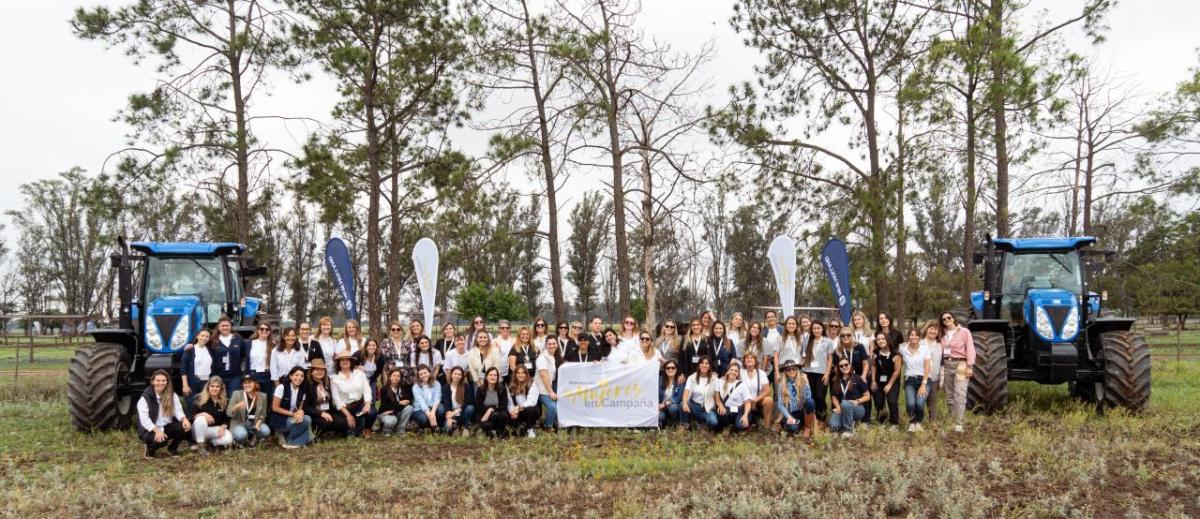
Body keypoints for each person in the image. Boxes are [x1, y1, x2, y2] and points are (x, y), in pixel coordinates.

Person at [137, 369, 191, 458]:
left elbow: (178, 411)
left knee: (184, 426)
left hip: (166, 426)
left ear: (167, 382)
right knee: (162, 441)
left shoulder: (172, 395)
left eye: (163, 381)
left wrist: (184, 419)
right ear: (153, 381)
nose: (161, 383)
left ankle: (172, 449)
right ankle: (150, 449)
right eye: (158, 380)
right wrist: (157, 431)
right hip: (150, 428)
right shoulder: (145, 398)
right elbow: (144, 420)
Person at [939, 311, 975, 433]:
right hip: (947, 365)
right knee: (949, 395)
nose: (946, 320)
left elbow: (970, 348)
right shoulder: (942, 334)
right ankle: (952, 419)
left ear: (953, 318)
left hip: (961, 364)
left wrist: (970, 366)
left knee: (960, 394)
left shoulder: (964, 332)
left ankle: (959, 423)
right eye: (944, 319)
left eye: (949, 317)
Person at [831, 326, 871, 425]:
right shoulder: (837, 350)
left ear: (852, 336)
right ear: (839, 337)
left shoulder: (859, 347)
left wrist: (863, 376)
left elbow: (865, 363)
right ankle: (844, 417)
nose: (845, 337)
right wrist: (837, 377)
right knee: (833, 424)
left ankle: (865, 421)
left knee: (862, 395)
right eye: (842, 335)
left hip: (858, 376)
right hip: (844, 376)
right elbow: (836, 366)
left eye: (848, 335)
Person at [331, 351, 373, 437]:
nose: (345, 362)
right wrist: (348, 415)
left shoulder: (360, 374)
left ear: (351, 362)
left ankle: (366, 428)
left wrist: (367, 404)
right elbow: (336, 399)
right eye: (342, 360)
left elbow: (367, 390)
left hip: (358, 405)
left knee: (372, 412)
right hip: (345, 409)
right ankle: (352, 427)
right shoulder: (334, 378)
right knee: (351, 435)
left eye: (347, 360)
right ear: (338, 363)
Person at [303, 358, 346, 440]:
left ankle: (332, 433)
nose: (320, 372)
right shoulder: (307, 384)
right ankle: (319, 434)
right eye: (317, 369)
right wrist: (320, 413)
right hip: (315, 413)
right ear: (311, 371)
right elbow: (306, 407)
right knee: (325, 423)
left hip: (329, 411)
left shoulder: (328, 381)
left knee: (342, 421)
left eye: (322, 369)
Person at [190, 376, 234, 454]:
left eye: (217, 386)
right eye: (212, 386)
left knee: (228, 438)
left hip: (213, 430)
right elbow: (192, 417)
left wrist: (224, 426)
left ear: (221, 388)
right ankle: (200, 445)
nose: (214, 388)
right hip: (198, 431)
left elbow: (227, 418)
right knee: (201, 418)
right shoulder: (199, 398)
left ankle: (210, 444)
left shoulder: (225, 401)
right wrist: (203, 414)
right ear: (208, 387)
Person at [270, 366, 312, 449]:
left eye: (301, 376)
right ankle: (291, 439)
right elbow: (275, 407)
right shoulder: (281, 387)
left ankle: (290, 442)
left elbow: (300, 408)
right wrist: (293, 414)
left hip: (292, 417)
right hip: (281, 418)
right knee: (307, 426)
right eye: (296, 375)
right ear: (290, 376)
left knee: (307, 418)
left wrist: (301, 412)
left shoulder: (302, 390)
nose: (299, 378)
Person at [900, 328, 932, 431]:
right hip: (909, 380)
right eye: (911, 335)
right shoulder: (902, 348)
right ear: (908, 337)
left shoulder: (924, 348)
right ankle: (912, 423)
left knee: (919, 403)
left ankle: (918, 423)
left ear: (919, 337)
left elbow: (927, 366)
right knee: (910, 403)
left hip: (924, 379)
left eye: (916, 335)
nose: (913, 337)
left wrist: (923, 384)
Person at [829, 357, 870, 437]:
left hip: (857, 408)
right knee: (833, 426)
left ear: (850, 365)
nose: (844, 367)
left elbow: (867, 396)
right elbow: (834, 397)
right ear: (839, 368)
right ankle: (848, 421)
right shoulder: (836, 380)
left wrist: (857, 401)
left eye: (846, 364)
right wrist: (838, 407)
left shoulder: (858, 378)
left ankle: (848, 430)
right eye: (841, 366)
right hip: (842, 408)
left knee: (845, 403)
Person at [803, 321, 834, 422]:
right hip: (808, 372)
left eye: (818, 328)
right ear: (811, 330)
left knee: (820, 397)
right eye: (814, 328)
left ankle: (822, 418)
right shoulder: (808, 341)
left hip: (822, 373)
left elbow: (830, 359)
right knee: (810, 397)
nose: (816, 330)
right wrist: (801, 371)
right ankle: (812, 419)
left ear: (822, 329)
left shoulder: (827, 341)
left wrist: (827, 373)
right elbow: (803, 356)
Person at [775, 360, 816, 438]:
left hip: (801, 411)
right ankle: (794, 425)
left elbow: (808, 398)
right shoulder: (781, 385)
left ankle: (807, 428)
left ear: (797, 370)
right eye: (788, 369)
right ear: (785, 372)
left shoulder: (802, 381)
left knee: (811, 402)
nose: (791, 371)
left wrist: (807, 383)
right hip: (790, 413)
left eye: (793, 368)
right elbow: (780, 404)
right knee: (793, 428)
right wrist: (788, 416)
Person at [870, 332, 902, 428]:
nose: (881, 341)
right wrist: (873, 380)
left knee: (892, 401)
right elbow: (873, 365)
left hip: (892, 380)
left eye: (883, 338)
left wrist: (889, 385)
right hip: (879, 380)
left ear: (887, 340)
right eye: (878, 339)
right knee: (879, 401)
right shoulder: (875, 353)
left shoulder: (896, 354)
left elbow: (897, 371)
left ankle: (894, 423)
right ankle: (881, 421)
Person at [229, 374, 271, 447]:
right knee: (241, 434)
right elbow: (228, 412)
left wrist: (258, 424)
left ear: (255, 383)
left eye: (249, 382)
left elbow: (263, 414)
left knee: (266, 431)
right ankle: (240, 440)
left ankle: (253, 437)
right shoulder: (236, 394)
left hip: (254, 424)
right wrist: (236, 407)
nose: (247, 385)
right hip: (240, 423)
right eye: (245, 383)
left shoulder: (263, 396)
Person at [682, 356, 719, 431]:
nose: (704, 365)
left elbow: (717, 395)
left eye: (707, 363)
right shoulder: (692, 377)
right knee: (681, 404)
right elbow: (686, 391)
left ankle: (701, 423)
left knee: (714, 422)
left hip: (707, 408)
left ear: (710, 366)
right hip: (694, 406)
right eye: (702, 363)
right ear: (699, 365)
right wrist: (685, 403)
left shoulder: (714, 379)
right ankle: (685, 424)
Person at [714, 363, 753, 433]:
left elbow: (748, 403)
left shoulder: (742, 385)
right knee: (720, 413)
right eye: (731, 370)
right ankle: (728, 427)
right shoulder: (720, 382)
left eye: (736, 371)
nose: (733, 372)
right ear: (728, 371)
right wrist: (720, 406)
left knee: (740, 425)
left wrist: (745, 415)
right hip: (728, 409)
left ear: (738, 374)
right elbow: (717, 399)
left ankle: (740, 424)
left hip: (740, 410)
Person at [180, 329, 214, 405]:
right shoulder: (190, 350)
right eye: (202, 335)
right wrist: (185, 385)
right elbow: (183, 369)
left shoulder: (209, 349)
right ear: (197, 336)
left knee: (205, 405)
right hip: (193, 382)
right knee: (192, 406)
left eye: (207, 336)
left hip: (206, 382)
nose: (204, 338)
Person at [377, 368, 414, 436]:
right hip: (384, 414)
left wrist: (393, 409)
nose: (396, 378)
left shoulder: (403, 388)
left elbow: (408, 402)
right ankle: (386, 431)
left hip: (394, 412)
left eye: (398, 376)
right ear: (390, 377)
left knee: (409, 408)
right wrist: (399, 403)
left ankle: (400, 430)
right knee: (392, 420)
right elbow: (385, 406)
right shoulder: (384, 389)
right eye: (394, 375)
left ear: (400, 378)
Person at [535, 336, 561, 431]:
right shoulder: (542, 358)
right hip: (542, 389)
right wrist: (550, 392)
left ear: (557, 345)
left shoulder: (556, 357)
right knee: (552, 407)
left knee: (558, 406)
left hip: (553, 386)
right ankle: (547, 426)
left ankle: (554, 422)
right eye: (549, 344)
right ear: (546, 345)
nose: (552, 346)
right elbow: (543, 375)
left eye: (554, 343)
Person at [741, 353, 773, 429]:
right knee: (741, 425)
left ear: (755, 361)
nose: (749, 359)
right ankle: (749, 420)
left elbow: (768, 390)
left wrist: (756, 400)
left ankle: (766, 427)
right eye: (747, 358)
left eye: (752, 358)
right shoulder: (740, 373)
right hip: (744, 402)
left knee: (769, 400)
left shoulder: (761, 373)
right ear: (744, 361)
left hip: (758, 400)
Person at [212, 317, 245, 392]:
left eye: (227, 325)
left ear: (230, 326)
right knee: (220, 399)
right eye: (222, 326)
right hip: (218, 376)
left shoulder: (237, 338)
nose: (225, 327)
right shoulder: (213, 339)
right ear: (218, 327)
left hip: (235, 376)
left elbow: (243, 353)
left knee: (233, 399)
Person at [507, 365, 541, 437]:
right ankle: (521, 425)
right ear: (515, 374)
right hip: (517, 411)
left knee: (531, 410)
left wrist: (519, 407)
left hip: (530, 410)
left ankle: (530, 429)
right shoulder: (511, 386)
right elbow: (510, 402)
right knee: (514, 430)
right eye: (518, 373)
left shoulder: (532, 384)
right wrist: (512, 411)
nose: (520, 375)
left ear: (526, 374)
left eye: (523, 373)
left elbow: (532, 401)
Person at [920, 321, 944, 421]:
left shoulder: (940, 345)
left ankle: (933, 423)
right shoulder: (919, 343)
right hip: (920, 377)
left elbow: (942, 363)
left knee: (932, 402)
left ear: (938, 332)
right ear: (926, 329)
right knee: (919, 401)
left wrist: (942, 378)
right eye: (931, 328)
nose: (933, 331)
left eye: (935, 329)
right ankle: (917, 422)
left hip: (934, 378)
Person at [441, 366, 476, 435]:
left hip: (463, 412)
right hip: (452, 413)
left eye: (459, 374)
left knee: (470, 408)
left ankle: (466, 427)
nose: (457, 376)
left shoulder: (467, 386)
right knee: (448, 428)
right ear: (451, 375)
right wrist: (449, 417)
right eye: (455, 374)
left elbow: (469, 401)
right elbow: (446, 402)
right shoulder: (446, 387)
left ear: (462, 376)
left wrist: (459, 409)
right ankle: (456, 427)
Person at [476, 367, 510, 438]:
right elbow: (479, 407)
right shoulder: (480, 389)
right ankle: (490, 431)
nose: (493, 377)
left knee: (504, 415)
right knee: (487, 425)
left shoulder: (502, 389)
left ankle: (499, 431)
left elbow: (504, 406)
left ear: (497, 377)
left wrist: (492, 409)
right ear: (486, 376)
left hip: (498, 414)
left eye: (495, 375)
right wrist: (488, 411)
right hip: (484, 414)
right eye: (490, 375)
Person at [380, 320, 414, 385]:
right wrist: (385, 377)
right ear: (390, 331)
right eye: (393, 329)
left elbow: (411, 359)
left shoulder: (407, 343)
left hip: (406, 376)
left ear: (401, 330)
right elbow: (383, 361)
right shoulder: (385, 342)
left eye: (398, 329)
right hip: (390, 375)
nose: (396, 331)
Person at [412, 365, 443, 433]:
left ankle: (439, 426)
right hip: (420, 409)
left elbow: (437, 399)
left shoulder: (437, 383)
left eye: (425, 373)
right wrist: (429, 415)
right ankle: (422, 427)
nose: (423, 375)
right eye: (421, 374)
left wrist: (433, 412)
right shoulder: (416, 387)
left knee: (441, 410)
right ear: (418, 376)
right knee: (424, 419)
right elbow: (421, 402)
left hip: (433, 407)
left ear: (429, 372)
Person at [246, 322, 274, 396]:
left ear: (269, 332)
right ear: (258, 331)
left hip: (267, 376)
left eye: (267, 329)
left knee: (266, 399)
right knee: (253, 398)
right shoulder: (249, 343)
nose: (264, 331)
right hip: (253, 375)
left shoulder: (273, 345)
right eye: (262, 329)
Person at [658, 360, 684, 427]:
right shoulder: (659, 380)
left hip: (673, 404)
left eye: (673, 367)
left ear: (676, 369)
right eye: (668, 368)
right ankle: (665, 423)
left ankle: (674, 423)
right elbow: (656, 395)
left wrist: (665, 403)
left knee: (673, 408)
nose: (670, 369)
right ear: (665, 370)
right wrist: (658, 405)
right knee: (660, 417)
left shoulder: (680, 380)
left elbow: (677, 398)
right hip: (661, 406)